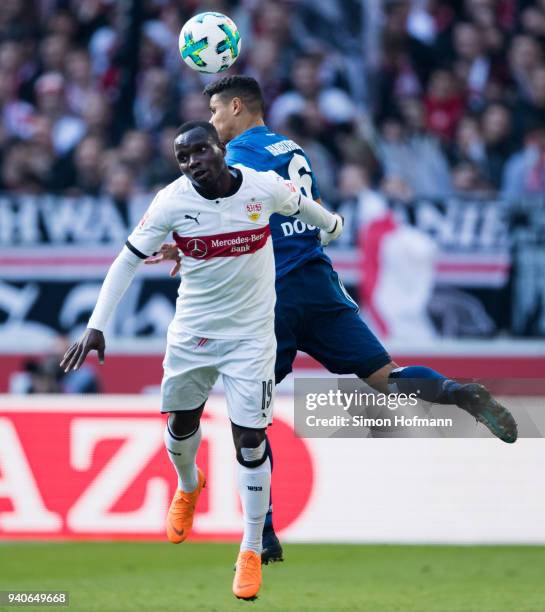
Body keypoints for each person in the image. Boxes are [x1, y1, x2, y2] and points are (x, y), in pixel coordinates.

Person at [146, 76, 518, 566]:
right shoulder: (293, 148)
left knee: (249, 417)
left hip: (269, 295)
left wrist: (183, 246)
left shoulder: (236, 159)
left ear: (236, 107)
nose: (213, 125)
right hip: (320, 286)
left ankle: (265, 534)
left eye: (215, 113)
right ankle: (455, 392)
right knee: (387, 377)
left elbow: (221, 215)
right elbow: (307, 212)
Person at [60, 120, 343, 601]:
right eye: (182, 158)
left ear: (221, 150)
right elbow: (128, 258)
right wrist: (97, 325)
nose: (192, 164)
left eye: (199, 153)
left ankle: (250, 549)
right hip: (192, 335)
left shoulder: (260, 187)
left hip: (252, 337)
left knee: (251, 439)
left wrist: (331, 225)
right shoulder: (173, 200)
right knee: (180, 427)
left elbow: (301, 204)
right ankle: (189, 485)